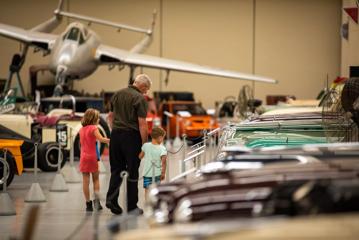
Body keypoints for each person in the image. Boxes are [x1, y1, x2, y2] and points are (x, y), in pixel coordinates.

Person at [106, 74, 152, 215]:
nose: (145, 93)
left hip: (115, 135)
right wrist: (144, 145)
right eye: (146, 90)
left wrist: (115, 132)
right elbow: (142, 124)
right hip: (131, 138)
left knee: (116, 170)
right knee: (132, 171)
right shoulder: (139, 99)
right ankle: (132, 206)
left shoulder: (117, 94)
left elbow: (110, 117)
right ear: (143, 86)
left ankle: (111, 200)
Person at [79, 108, 110, 212]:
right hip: (92, 157)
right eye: (97, 118)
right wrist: (112, 139)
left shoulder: (81, 129)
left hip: (83, 157)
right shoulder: (94, 128)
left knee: (85, 181)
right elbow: (101, 139)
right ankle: (96, 202)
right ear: (93, 118)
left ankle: (88, 204)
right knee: (96, 179)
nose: (99, 120)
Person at [139, 127, 167, 201]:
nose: (162, 140)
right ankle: (155, 206)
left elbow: (140, 156)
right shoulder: (162, 148)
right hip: (157, 174)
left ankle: (148, 205)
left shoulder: (146, 146)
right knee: (156, 190)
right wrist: (163, 173)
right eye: (163, 138)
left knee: (147, 191)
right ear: (160, 137)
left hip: (147, 173)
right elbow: (164, 162)